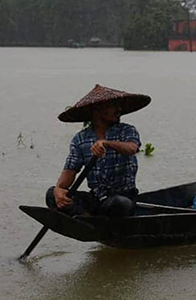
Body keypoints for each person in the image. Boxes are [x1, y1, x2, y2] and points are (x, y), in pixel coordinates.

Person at [45, 84, 150, 217]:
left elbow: (131, 148)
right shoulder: (81, 139)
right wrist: (59, 190)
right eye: (114, 106)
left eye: (119, 106)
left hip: (123, 197)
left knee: (119, 203)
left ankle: (91, 220)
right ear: (96, 109)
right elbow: (69, 172)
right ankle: (86, 218)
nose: (119, 109)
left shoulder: (127, 130)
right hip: (96, 199)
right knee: (51, 194)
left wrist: (107, 143)